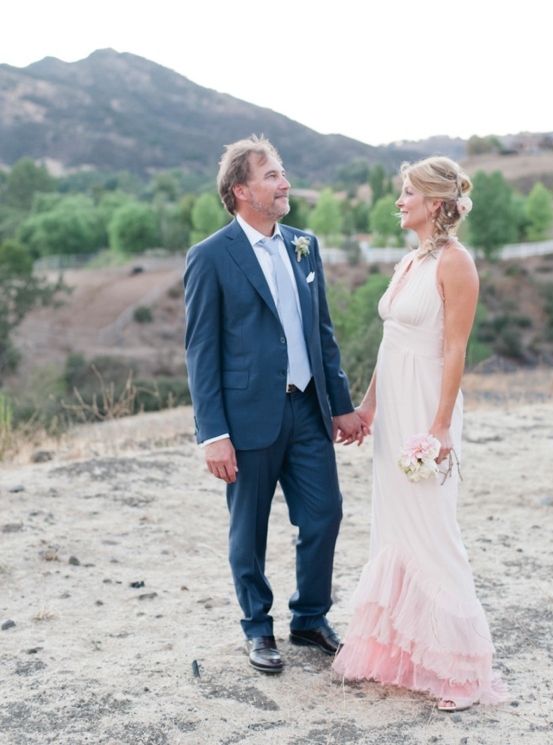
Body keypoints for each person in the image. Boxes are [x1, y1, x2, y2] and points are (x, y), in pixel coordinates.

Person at [332, 156, 508, 711]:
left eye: (407, 192)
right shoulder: (410, 261)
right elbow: (392, 345)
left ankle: (461, 676)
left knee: (433, 530)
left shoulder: (456, 264)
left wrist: (439, 427)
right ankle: (406, 658)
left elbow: (454, 349)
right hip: (393, 414)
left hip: (428, 410)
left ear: (435, 202)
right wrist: (366, 407)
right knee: (394, 529)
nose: (399, 201)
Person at [184, 135, 364, 675]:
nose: (284, 183)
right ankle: (257, 628)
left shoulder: (304, 244)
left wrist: (340, 404)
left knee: (325, 514)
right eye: (271, 176)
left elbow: (321, 332)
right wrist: (212, 433)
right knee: (250, 530)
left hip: (308, 410)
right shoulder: (211, 257)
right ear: (240, 190)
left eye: (282, 174)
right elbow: (201, 351)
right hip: (245, 420)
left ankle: (309, 618)